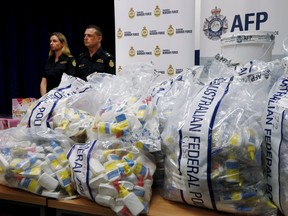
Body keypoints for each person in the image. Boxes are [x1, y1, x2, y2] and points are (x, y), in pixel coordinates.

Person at [40, 32, 76, 96]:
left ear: (62, 44)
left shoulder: (69, 59)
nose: (51, 43)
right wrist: (44, 98)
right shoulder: (49, 60)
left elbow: (70, 82)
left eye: (55, 41)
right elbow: (44, 82)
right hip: (48, 97)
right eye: (50, 41)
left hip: (62, 97)